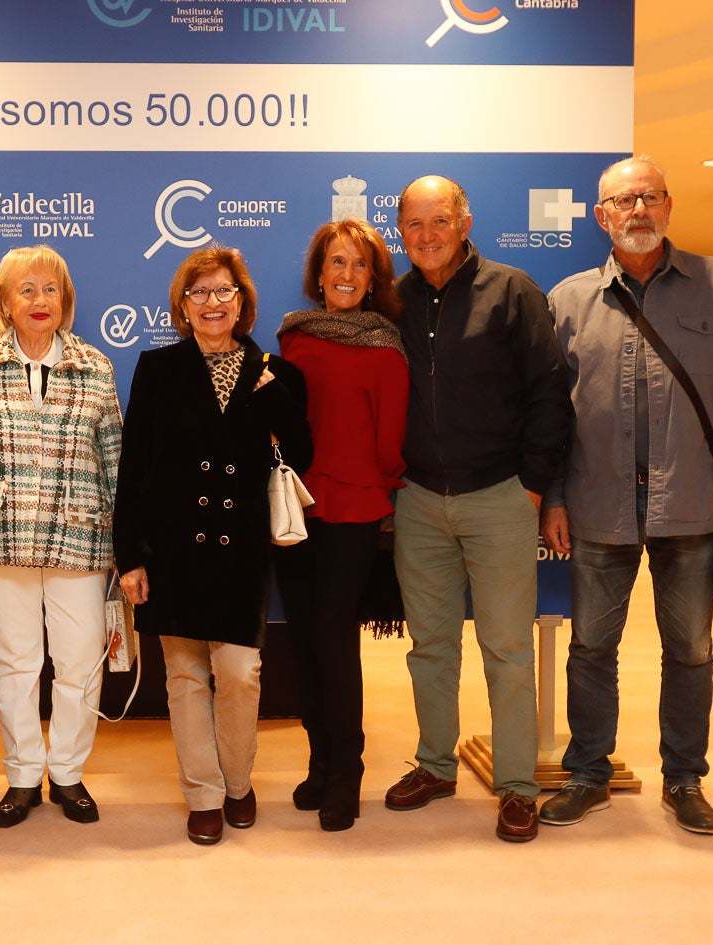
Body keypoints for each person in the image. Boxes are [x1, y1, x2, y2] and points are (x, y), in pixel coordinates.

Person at [539, 155, 713, 836]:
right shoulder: (567, 301)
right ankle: (588, 773)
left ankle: (684, 778)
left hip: (693, 506)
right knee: (591, 648)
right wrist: (554, 496)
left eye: (649, 197)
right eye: (624, 201)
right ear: (602, 217)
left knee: (689, 650)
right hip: (597, 504)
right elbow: (549, 417)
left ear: (669, 206)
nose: (638, 210)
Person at [384, 175, 570, 843]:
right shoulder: (392, 301)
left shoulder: (512, 290)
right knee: (430, 646)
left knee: (507, 648)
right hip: (418, 500)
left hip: (499, 497)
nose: (427, 234)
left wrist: (531, 488)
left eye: (439, 220)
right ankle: (435, 765)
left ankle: (517, 785)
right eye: (414, 224)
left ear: (464, 224)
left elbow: (549, 394)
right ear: (399, 232)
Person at [114, 245, 311, 845]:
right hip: (172, 549)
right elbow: (133, 467)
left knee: (240, 672)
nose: (212, 302)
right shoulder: (157, 368)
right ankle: (202, 793)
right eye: (198, 292)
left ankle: (237, 783)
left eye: (224, 290)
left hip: (239, 551)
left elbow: (303, 453)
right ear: (182, 305)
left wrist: (271, 393)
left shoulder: (275, 372)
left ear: (242, 301)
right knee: (184, 677)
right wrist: (131, 556)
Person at [0, 245, 122, 828]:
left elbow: (114, 460)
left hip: (80, 537)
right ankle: (23, 775)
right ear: (4, 302)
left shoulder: (95, 366)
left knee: (80, 663)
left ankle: (68, 773)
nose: (39, 300)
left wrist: (125, 547)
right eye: (26, 289)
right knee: (13, 664)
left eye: (50, 289)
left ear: (65, 299)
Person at [273, 218, 408, 832]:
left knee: (333, 638)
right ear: (319, 274)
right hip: (295, 507)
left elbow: (390, 444)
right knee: (302, 637)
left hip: (354, 507)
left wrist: (374, 483)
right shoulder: (294, 336)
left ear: (372, 278)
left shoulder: (385, 345)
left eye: (358, 264)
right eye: (336, 262)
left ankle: (346, 773)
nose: (346, 274)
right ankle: (319, 761)